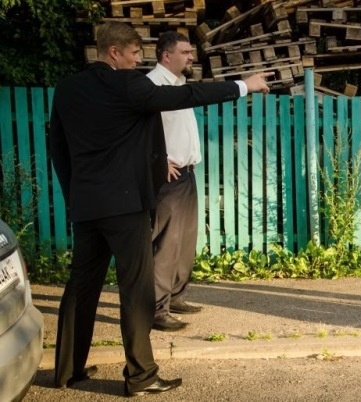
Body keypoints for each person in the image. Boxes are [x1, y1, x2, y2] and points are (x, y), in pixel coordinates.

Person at [49, 22, 271, 396]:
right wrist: (243, 85)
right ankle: (141, 376)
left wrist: (75, 195)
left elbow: (58, 146)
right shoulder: (128, 85)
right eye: (134, 53)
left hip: (87, 205)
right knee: (136, 290)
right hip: (126, 206)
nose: (138, 60)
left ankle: (67, 371)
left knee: (80, 287)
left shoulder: (67, 89)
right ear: (114, 52)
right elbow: (188, 94)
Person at [147, 31, 203, 333]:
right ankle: (157, 310)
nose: (191, 57)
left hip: (187, 173)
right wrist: (157, 161)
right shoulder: (153, 85)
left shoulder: (179, 85)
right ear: (166, 55)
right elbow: (139, 132)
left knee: (185, 241)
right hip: (168, 177)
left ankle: (177, 296)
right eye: (185, 52)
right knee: (166, 243)